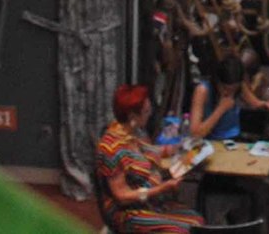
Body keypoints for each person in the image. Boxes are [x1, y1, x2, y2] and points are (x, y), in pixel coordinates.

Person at [96, 84, 203, 233]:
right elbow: (122, 196)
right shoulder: (111, 149)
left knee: (197, 221)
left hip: (152, 202)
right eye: (146, 111)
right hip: (129, 211)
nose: (150, 113)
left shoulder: (135, 131)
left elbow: (149, 151)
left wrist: (180, 149)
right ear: (133, 116)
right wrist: (161, 188)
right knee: (183, 230)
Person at [187, 54, 249, 142]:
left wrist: (264, 104)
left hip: (234, 139)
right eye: (225, 89)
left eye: (233, 90)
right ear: (217, 81)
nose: (229, 93)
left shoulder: (239, 86)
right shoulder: (202, 90)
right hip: (210, 141)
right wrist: (220, 109)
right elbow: (195, 134)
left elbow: (253, 100)